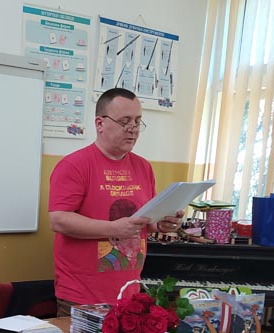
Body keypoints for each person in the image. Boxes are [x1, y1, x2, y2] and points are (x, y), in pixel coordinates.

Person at [48, 88, 183, 315]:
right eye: (124, 121)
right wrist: (113, 229)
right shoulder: (74, 165)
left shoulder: (143, 167)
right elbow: (59, 220)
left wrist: (160, 223)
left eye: (137, 121)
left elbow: (144, 220)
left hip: (129, 294)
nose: (133, 128)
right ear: (100, 123)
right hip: (82, 297)